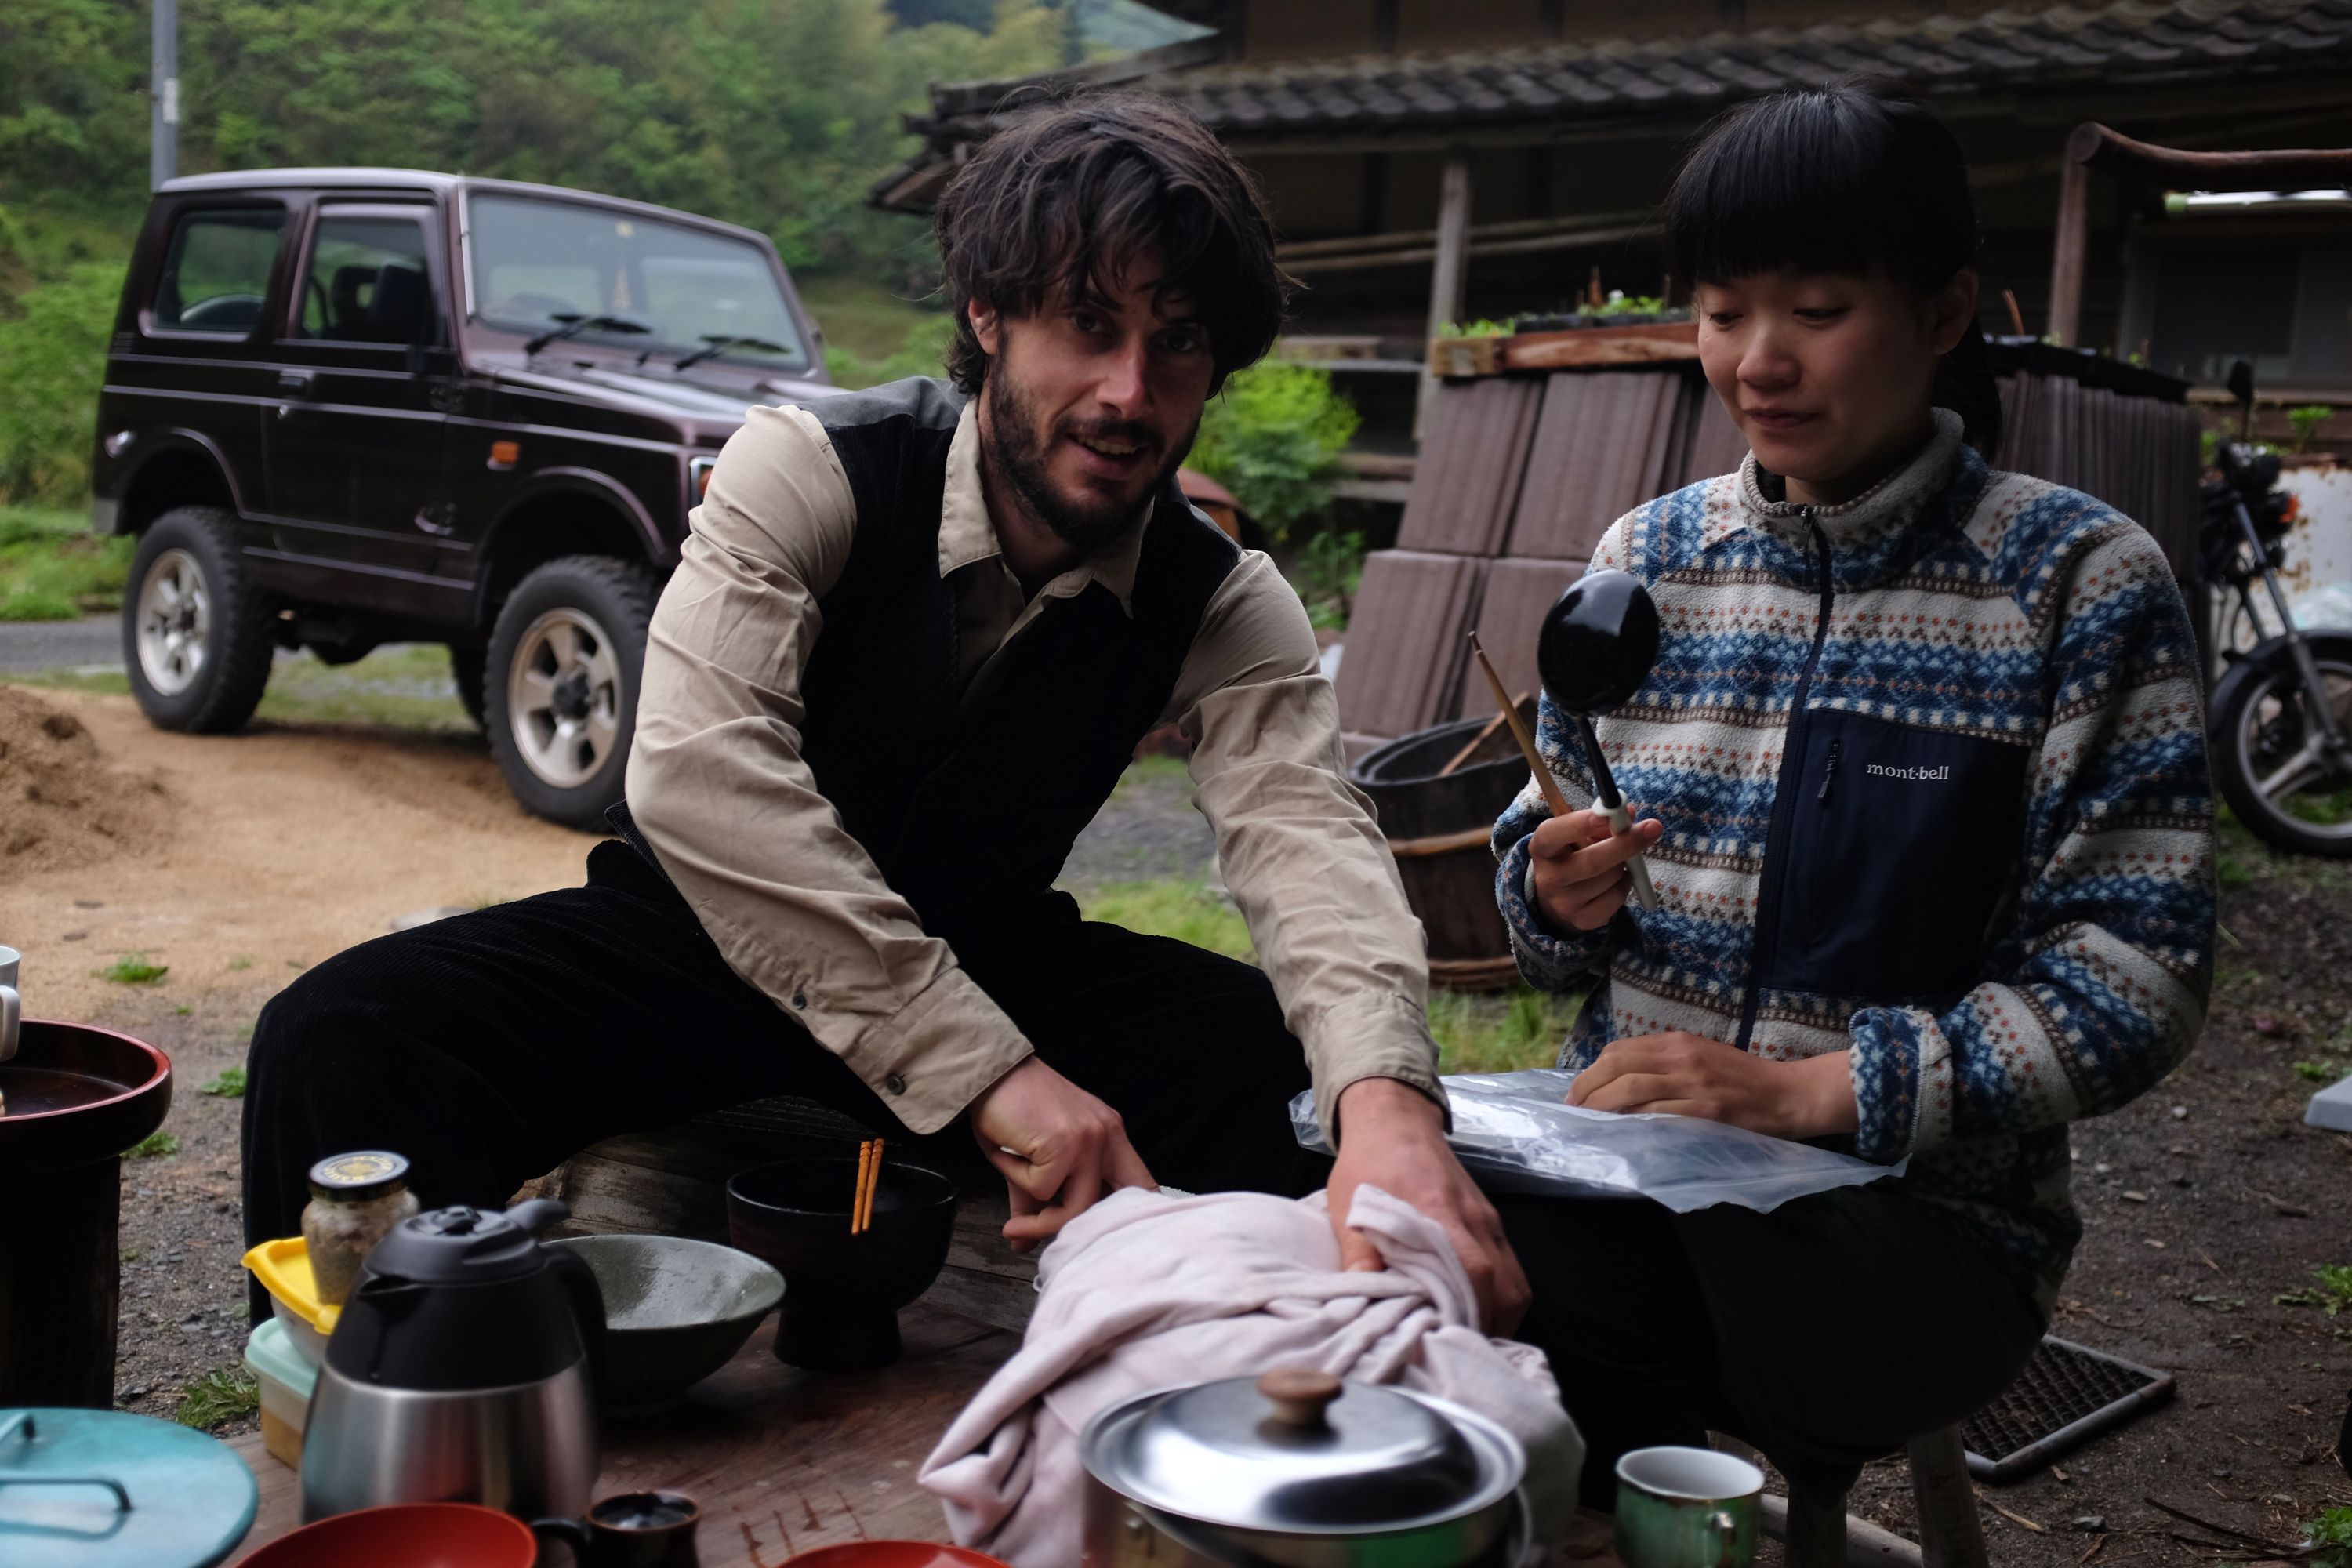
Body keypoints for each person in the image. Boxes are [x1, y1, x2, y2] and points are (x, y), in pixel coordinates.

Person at [241, 94, 1526, 1331]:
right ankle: (395, 1401)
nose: (1130, 392)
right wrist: (991, 1075)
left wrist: (1390, 1103)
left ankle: (1276, 1370)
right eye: (1087, 322)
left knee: (1271, 1059)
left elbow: (1309, 842)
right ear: (989, 315)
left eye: (1178, 341)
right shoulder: (809, 471)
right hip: (698, 952)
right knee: (345, 1039)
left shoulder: (1226, 599)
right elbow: (696, 779)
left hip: (987, 950)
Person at [1490, 79, 2214, 1501]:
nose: (1758, 361)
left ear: (1945, 313)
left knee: (1553, 1303)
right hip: (1629, 1169)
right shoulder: (1652, 558)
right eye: (1720, 311)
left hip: (1924, 1238)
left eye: (1817, 309)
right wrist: (1556, 891)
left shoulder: (2071, 584)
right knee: (1406, 1211)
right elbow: (1536, 865)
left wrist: (1814, 1092)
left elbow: (2138, 976)